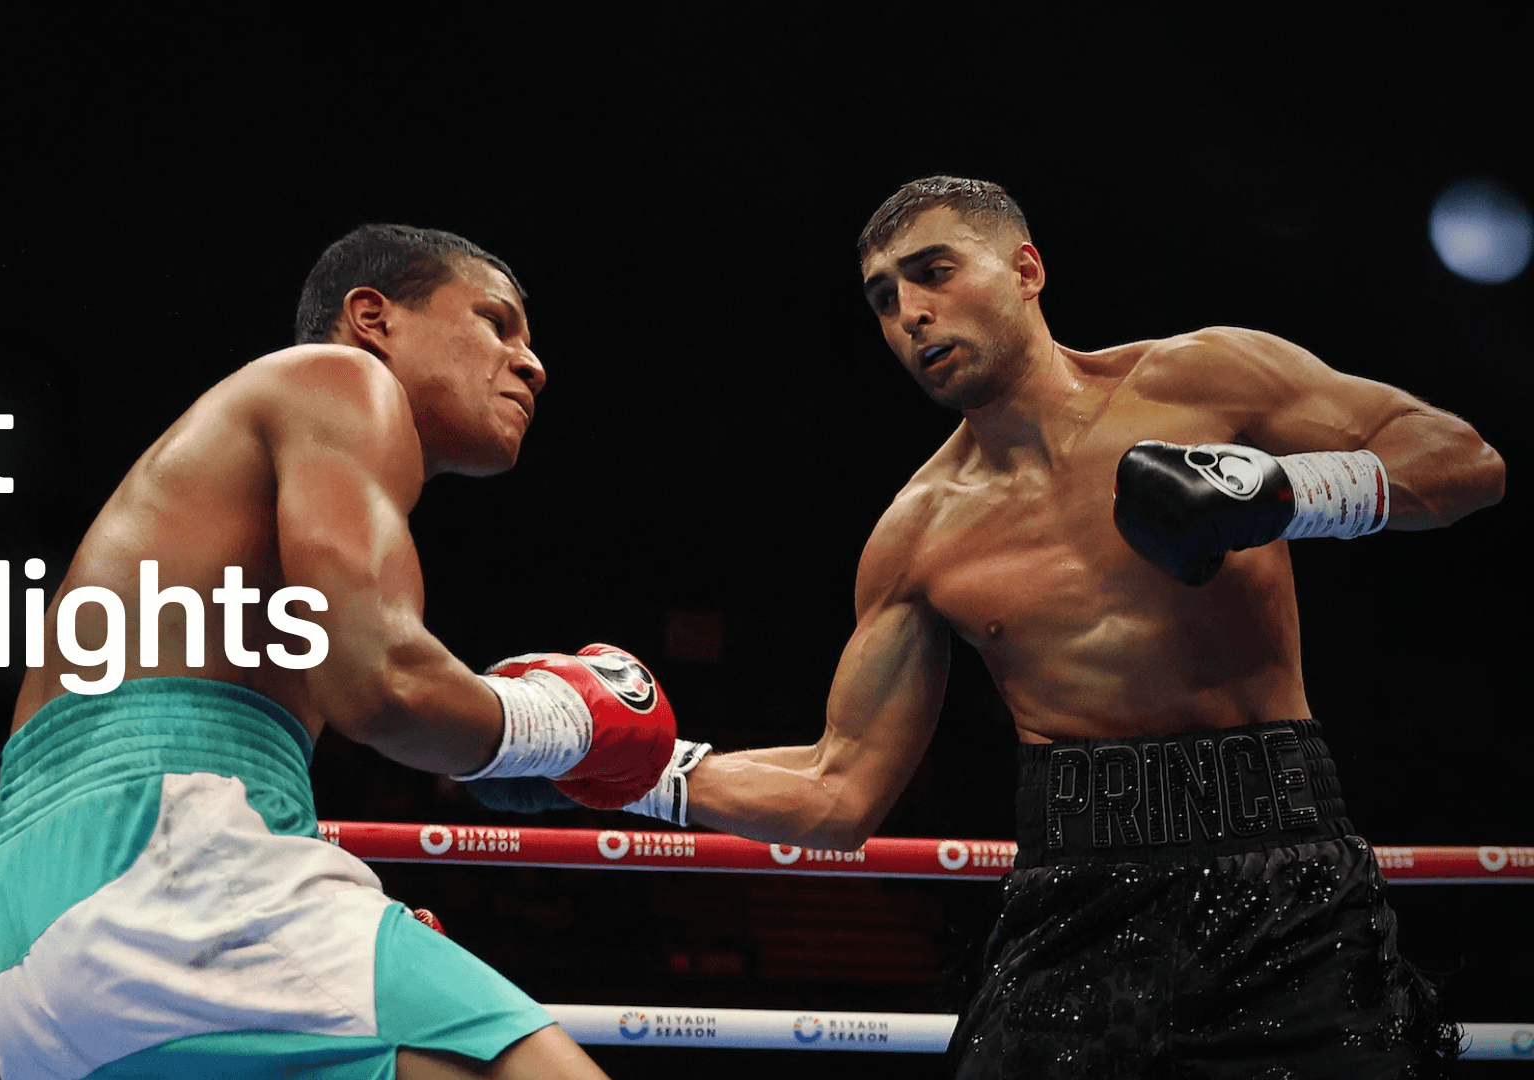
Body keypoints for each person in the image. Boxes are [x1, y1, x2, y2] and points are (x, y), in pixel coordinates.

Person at [564, 177, 1504, 1077]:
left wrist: (1282, 491)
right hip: (1077, 896)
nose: (910, 314)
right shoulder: (918, 535)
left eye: (934, 273)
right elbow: (836, 794)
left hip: (1287, 876)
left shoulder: (1202, 379)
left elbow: (1464, 462)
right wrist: (618, 762)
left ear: (1025, 270)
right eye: (884, 299)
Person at [0, 224, 677, 1080]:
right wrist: (562, 720)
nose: (532, 364)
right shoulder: (336, 378)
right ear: (373, 317)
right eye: (495, 323)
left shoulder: (252, 496)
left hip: (21, 943)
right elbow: (384, 688)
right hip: (174, 863)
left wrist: (606, 756)